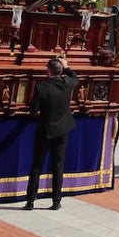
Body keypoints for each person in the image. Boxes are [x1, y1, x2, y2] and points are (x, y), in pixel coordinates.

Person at [22, 55, 79, 211]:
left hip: (46, 129)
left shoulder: (42, 87)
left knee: (37, 165)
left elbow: (34, 110)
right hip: (63, 129)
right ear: (60, 71)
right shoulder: (67, 83)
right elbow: (75, 76)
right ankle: (56, 200)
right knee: (58, 165)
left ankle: (31, 201)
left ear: (48, 71)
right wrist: (66, 65)